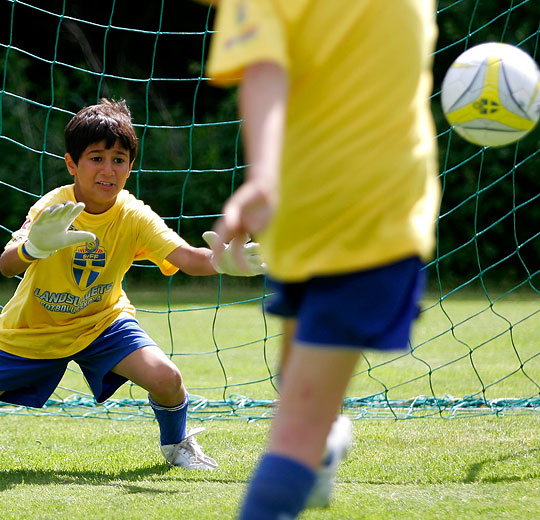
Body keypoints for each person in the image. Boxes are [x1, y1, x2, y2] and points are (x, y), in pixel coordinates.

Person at [0, 98, 265, 470]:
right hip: (29, 334)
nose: (108, 169)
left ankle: (177, 446)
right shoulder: (53, 207)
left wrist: (221, 261)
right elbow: (6, 264)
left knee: (167, 377)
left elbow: (187, 258)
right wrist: (34, 247)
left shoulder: (134, 215)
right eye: (96, 158)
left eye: (119, 159)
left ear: (130, 165)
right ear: (72, 164)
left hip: (101, 323)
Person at [205, 0, 440, 517]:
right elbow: (266, 67)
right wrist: (266, 179)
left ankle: (313, 448)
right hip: (311, 218)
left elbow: (264, 69)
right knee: (297, 390)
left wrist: (263, 178)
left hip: (364, 218)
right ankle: (323, 445)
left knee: (295, 427)